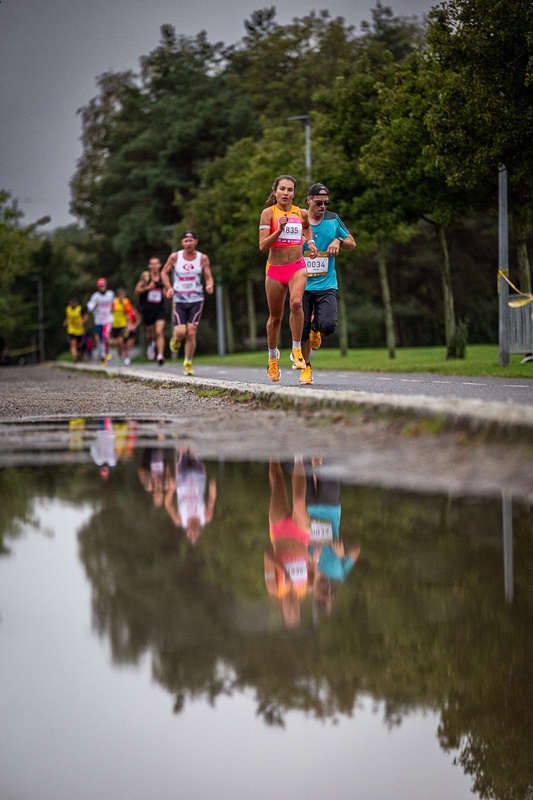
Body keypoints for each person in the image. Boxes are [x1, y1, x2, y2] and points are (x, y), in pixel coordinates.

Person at [259, 174, 318, 383]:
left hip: (297, 266)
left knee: (296, 304)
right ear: (275, 191)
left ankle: (296, 351)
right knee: (275, 318)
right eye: (282, 189)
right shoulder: (268, 214)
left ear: (294, 193)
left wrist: (310, 243)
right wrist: (280, 230)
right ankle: (273, 357)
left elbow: (307, 226)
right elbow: (263, 246)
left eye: (290, 190)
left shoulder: (300, 212)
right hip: (275, 270)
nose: (286, 193)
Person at [299, 183, 356, 384]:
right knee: (301, 329)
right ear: (309, 201)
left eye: (326, 203)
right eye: (319, 202)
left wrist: (338, 241)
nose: (323, 206)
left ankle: (317, 327)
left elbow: (352, 242)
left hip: (326, 284)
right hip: (301, 284)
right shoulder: (298, 220)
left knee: (329, 325)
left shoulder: (332, 219)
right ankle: (306, 368)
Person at [264, 456, 312, 628]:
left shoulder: (274, 589)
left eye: (288, 611)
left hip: (279, 532)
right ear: (300, 608)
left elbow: (268, 557)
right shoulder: (304, 590)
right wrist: (315, 558)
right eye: (296, 611)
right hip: (301, 535)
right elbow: (312, 568)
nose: (292, 608)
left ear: (282, 609)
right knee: (299, 501)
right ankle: (299, 458)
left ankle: (273, 453)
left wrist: (284, 572)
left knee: (278, 484)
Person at [161, 231, 214, 376]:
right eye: (185, 241)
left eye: (191, 240)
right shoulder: (175, 257)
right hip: (179, 299)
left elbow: (208, 277)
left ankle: (188, 363)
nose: (188, 243)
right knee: (181, 332)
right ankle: (176, 339)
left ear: (196, 242)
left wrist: (209, 285)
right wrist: (169, 288)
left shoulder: (202, 258)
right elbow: (164, 273)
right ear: (182, 243)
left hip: (196, 299)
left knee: (191, 332)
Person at [165, 448, 217, 545]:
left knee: (181, 447)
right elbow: (211, 499)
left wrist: (171, 490)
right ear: (200, 533)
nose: (193, 532)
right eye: (195, 535)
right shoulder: (206, 517)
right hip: (199, 475)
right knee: (194, 446)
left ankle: (179, 434)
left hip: (181, 476)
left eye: (191, 535)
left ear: (187, 534)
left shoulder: (179, 520)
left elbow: (168, 504)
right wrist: (212, 487)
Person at [134, 257, 167, 366]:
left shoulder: (163, 276)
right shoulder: (146, 276)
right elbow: (137, 291)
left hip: (159, 309)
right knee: (150, 333)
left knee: (159, 332)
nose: (154, 266)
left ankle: (160, 355)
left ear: (160, 265)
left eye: (156, 264)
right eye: (152, 264)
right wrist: (148, 288)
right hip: (147, 309)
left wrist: (166, 293)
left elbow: (167, 290)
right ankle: (151, 345)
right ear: (149, 266)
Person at [87, 278, 115, 366]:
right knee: (100, 339)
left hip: (107, 319)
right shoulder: (95, 296)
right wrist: (95, 305)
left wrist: (113, 308)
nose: (102, 288)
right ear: (98, 287)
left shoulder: (110, 294)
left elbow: (113, 303)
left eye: (103, 286)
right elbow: (89, 307)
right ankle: (103, 356)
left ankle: (106, 352)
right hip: (98, 320)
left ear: (106, 286)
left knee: (106, 336)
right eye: (100, 286)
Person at [111, 288, 136, 366]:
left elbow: (129, 312)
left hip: (123, 325)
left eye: (123, 295)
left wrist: (129, 325)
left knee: (122, 342)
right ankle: (120, 356)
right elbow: (110, 311)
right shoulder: (114, 302)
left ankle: (126, 357)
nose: (122, 297)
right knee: (117, 343)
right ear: (118, 296)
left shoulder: (126, 302)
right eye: (121, 296)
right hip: (114, 325)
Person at [63, 297, 88, 363]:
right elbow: (68, 317)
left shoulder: (80, 309)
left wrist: (83, 321)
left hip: (79, 330)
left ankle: (79, 356)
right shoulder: (68, 309)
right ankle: (74, 357)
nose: (72, 304)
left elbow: (85, 316)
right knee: (73, 343)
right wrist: (66, 321)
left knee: (79, 345)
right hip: (71, 329)